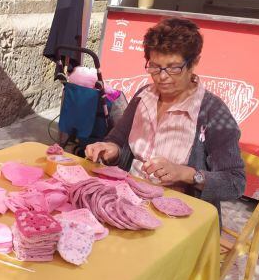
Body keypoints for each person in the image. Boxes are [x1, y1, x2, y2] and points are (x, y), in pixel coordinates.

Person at [85, 17, 245, 222]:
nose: (162, 77)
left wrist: (185, 174)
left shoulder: (212, 112)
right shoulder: (145, 95)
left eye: (173, 67)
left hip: (177, 215)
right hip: (128, 199)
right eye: (155, 66)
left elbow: (235, 183)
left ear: (194, 63)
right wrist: (110, 149)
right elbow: (117, 139)